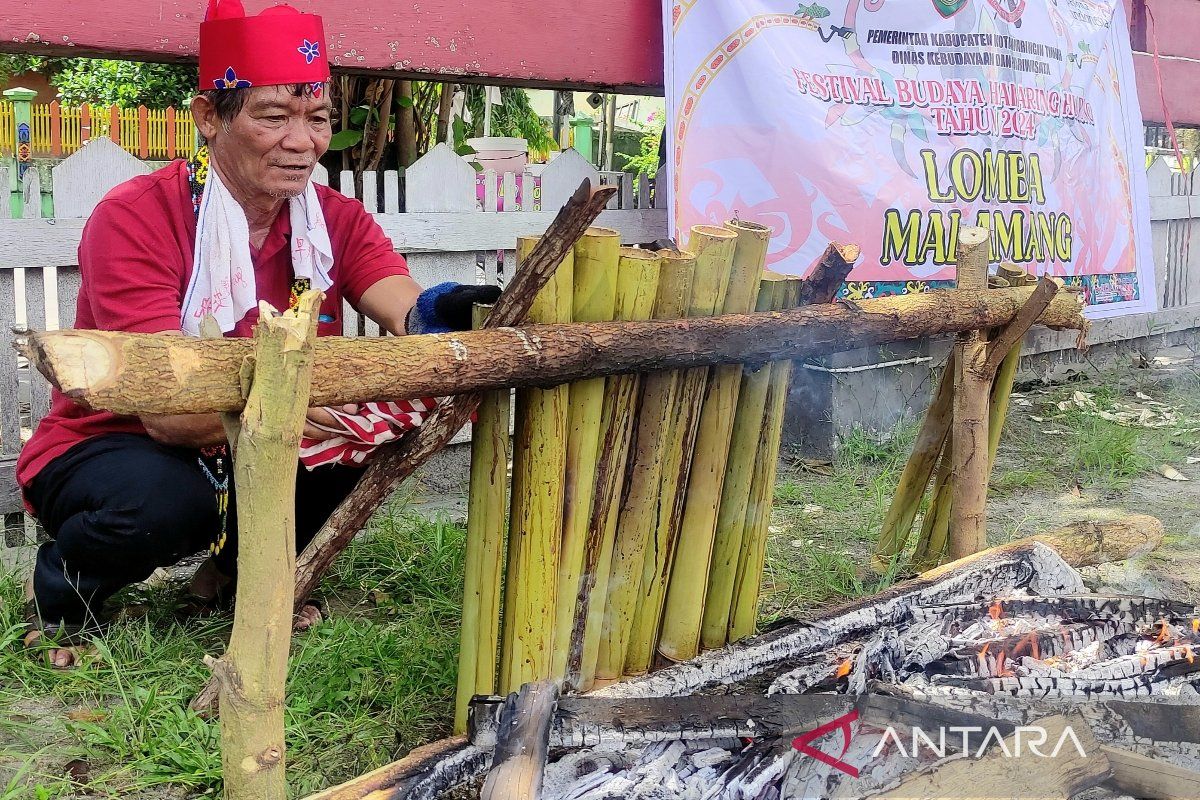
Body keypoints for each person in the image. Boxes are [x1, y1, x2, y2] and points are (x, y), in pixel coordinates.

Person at [17, 0, 499, 668]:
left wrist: (446, 311)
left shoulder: (331, 217)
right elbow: (168, 414)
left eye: (318, 117)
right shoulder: (136, 217)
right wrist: (301, 405)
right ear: (209, 118)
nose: (302, 141)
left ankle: (232, 578)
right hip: (111, 444)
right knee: (169, 499)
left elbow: (402, 305)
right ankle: (67, 594)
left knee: (375, 426)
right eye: (273, 116)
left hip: (245, 434)